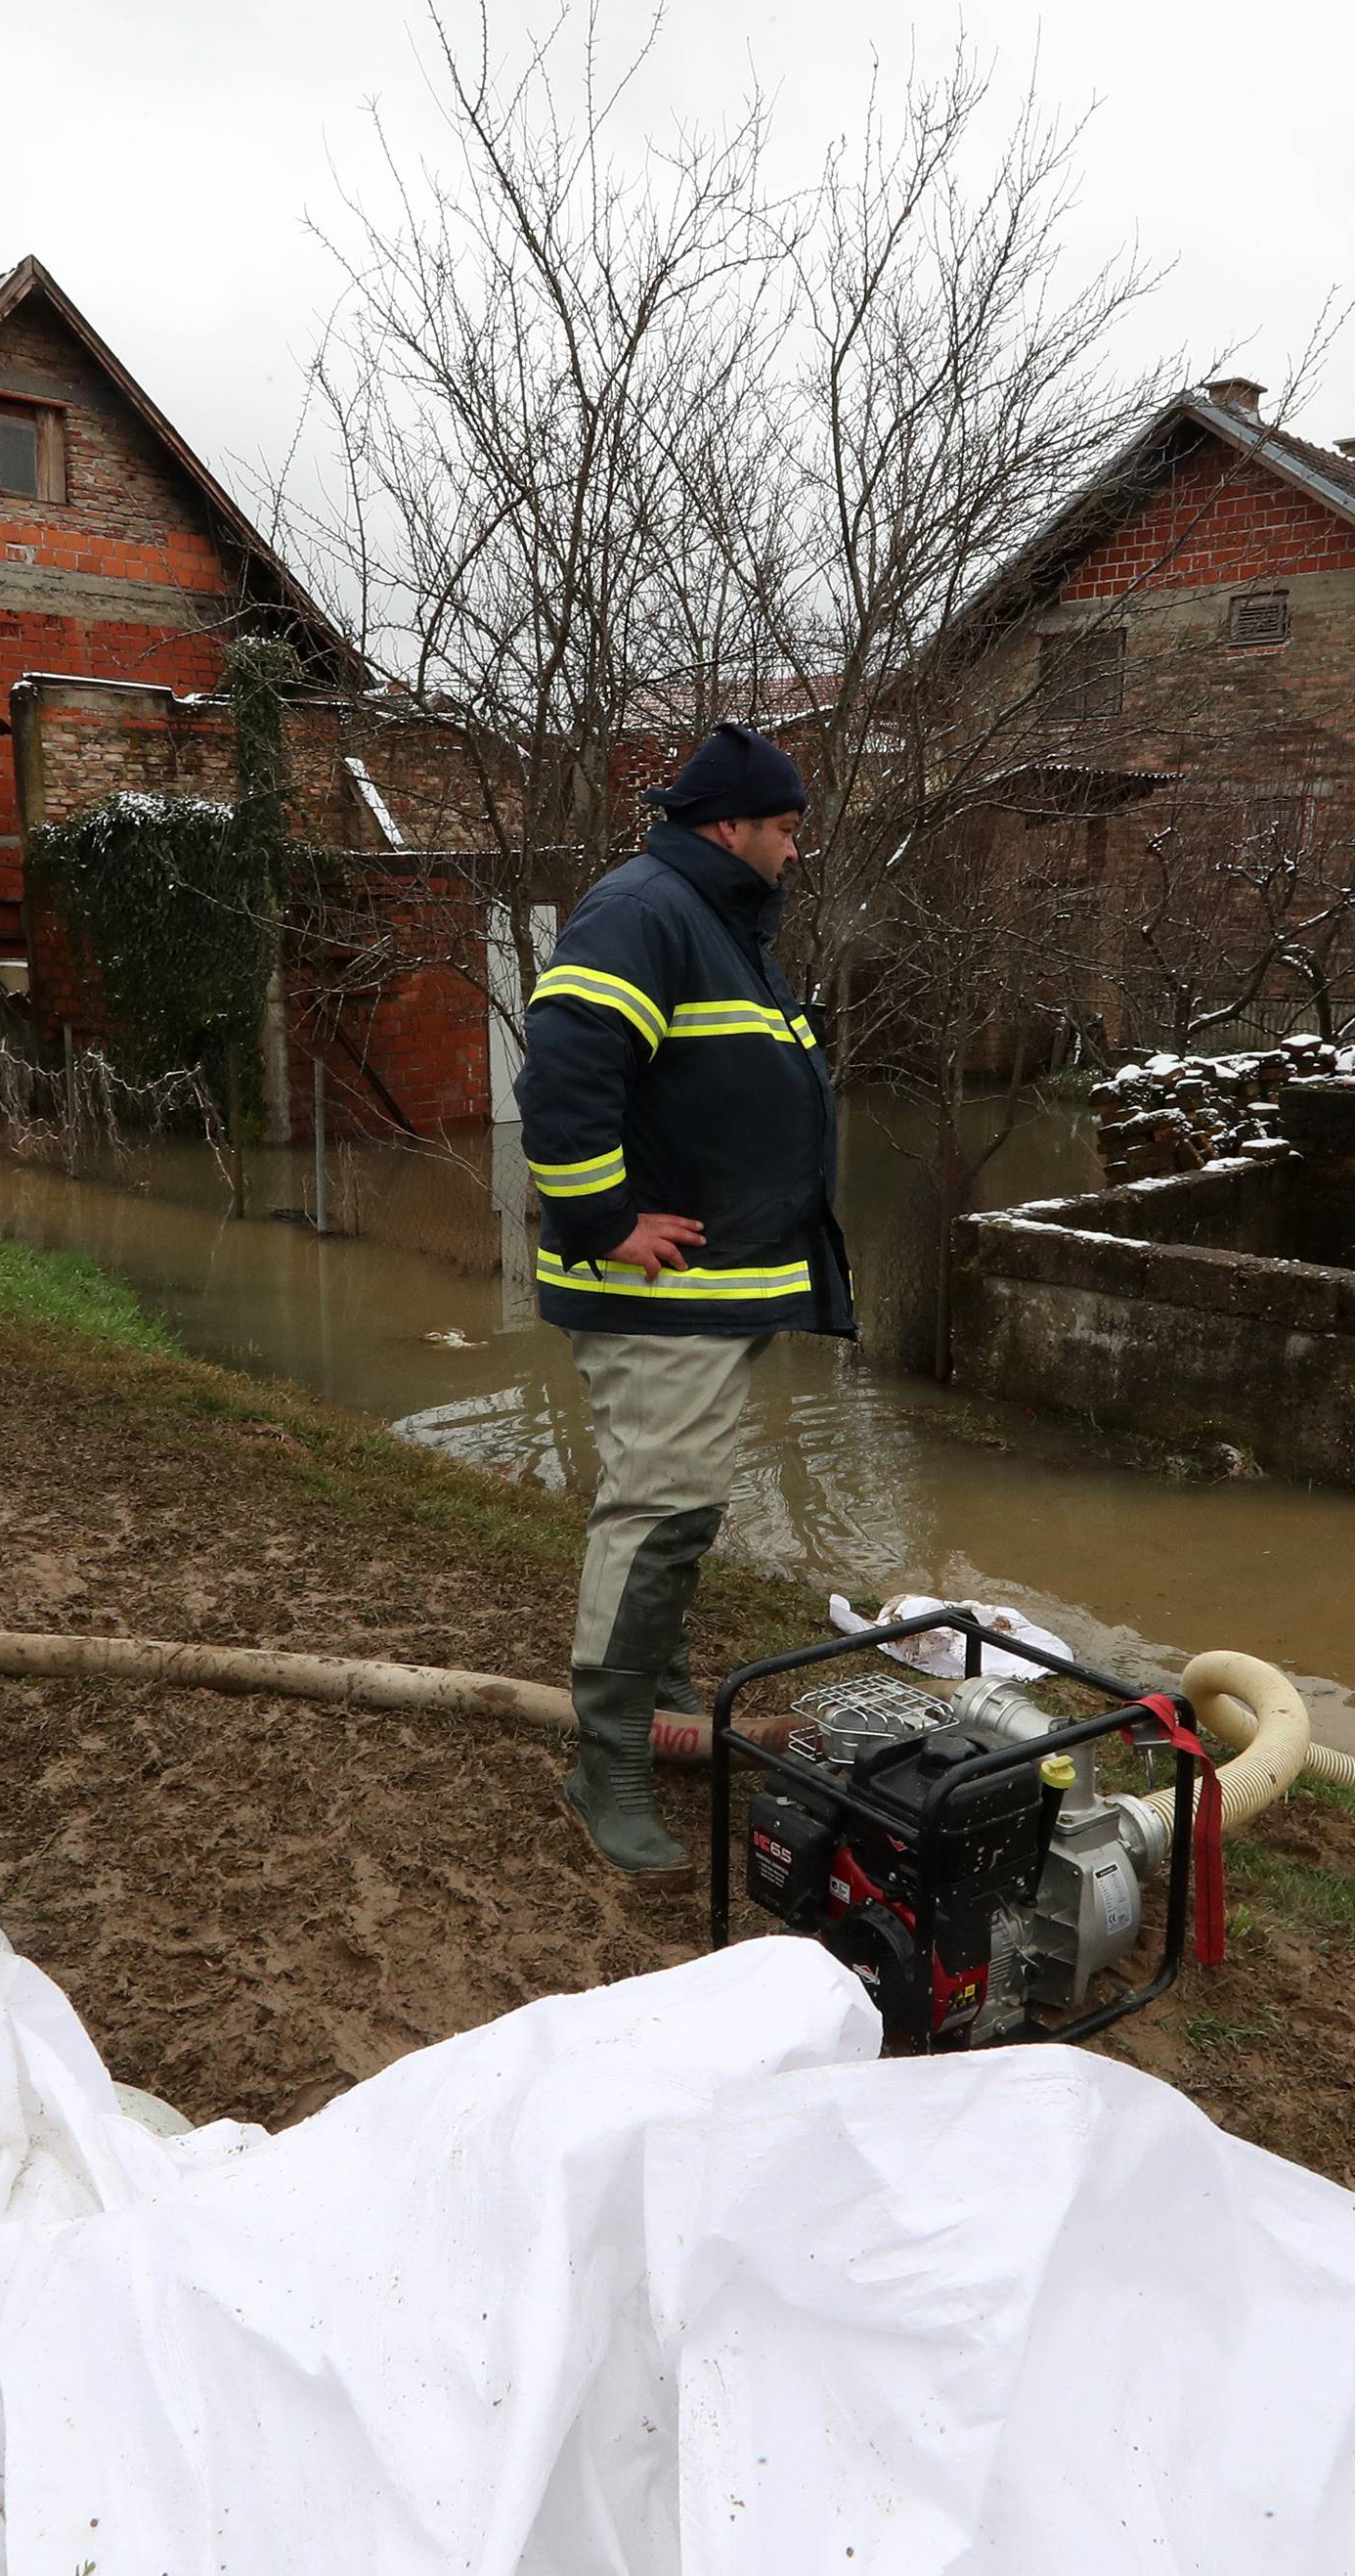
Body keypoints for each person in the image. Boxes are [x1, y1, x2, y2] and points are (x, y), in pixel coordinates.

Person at [514, 722, 853, 1889]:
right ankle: (605, 1761)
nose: (795, 851)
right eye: (786, 829)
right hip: (659, 1292)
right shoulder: (645, 909)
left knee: (686, 1505)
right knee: (657, 1511)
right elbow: (561, 1068)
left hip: (716, 1291)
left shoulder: (716, 919)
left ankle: (656, 1696)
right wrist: (604, 1220)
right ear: (731, 827)